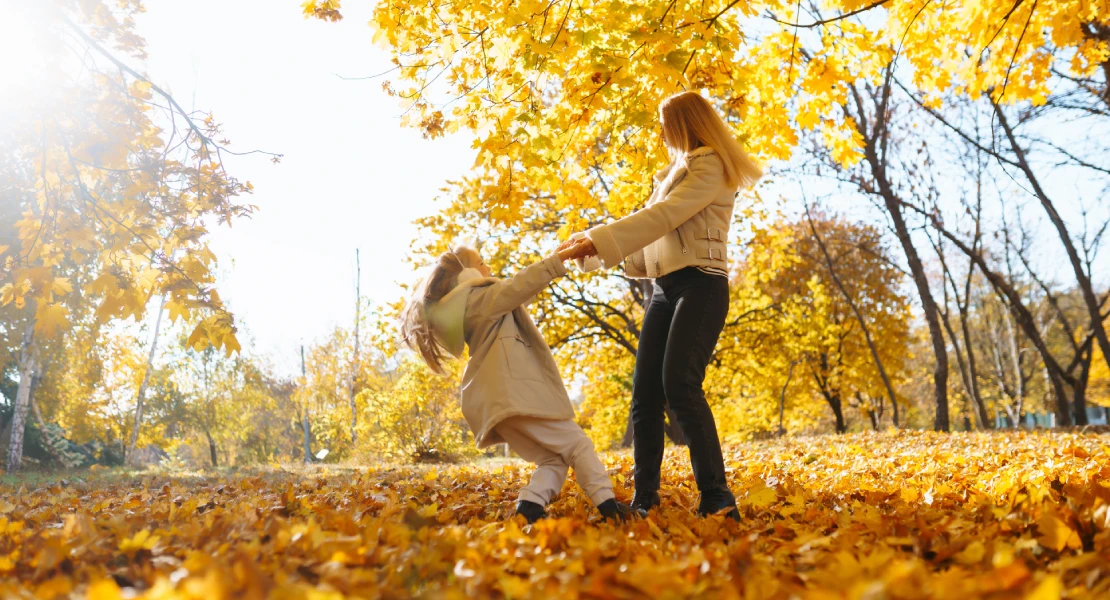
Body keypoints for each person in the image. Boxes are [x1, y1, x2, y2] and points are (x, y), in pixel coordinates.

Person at [563, 91, 763, 519]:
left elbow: (666, 216)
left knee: (681, 385)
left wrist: (599, 237)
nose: (661, 133)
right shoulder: (674, 172)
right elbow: (653, 240)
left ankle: (717, 495)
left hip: (702, 285)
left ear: (684, 124)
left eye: (666, 124)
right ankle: (645, 497)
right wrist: (592, 253)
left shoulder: (710, 166)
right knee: (645, 395)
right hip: (665, 289)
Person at [400, 245, 638, 523]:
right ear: (466, 274)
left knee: (553, 459)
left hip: (502, 402)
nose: (487, 267)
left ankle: (530, 507)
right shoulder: (480, 297)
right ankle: (609, 506)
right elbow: (520, 285)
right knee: (578, 446)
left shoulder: (469, 306)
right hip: (515, 396)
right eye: (481, 262)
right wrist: (556, 260)